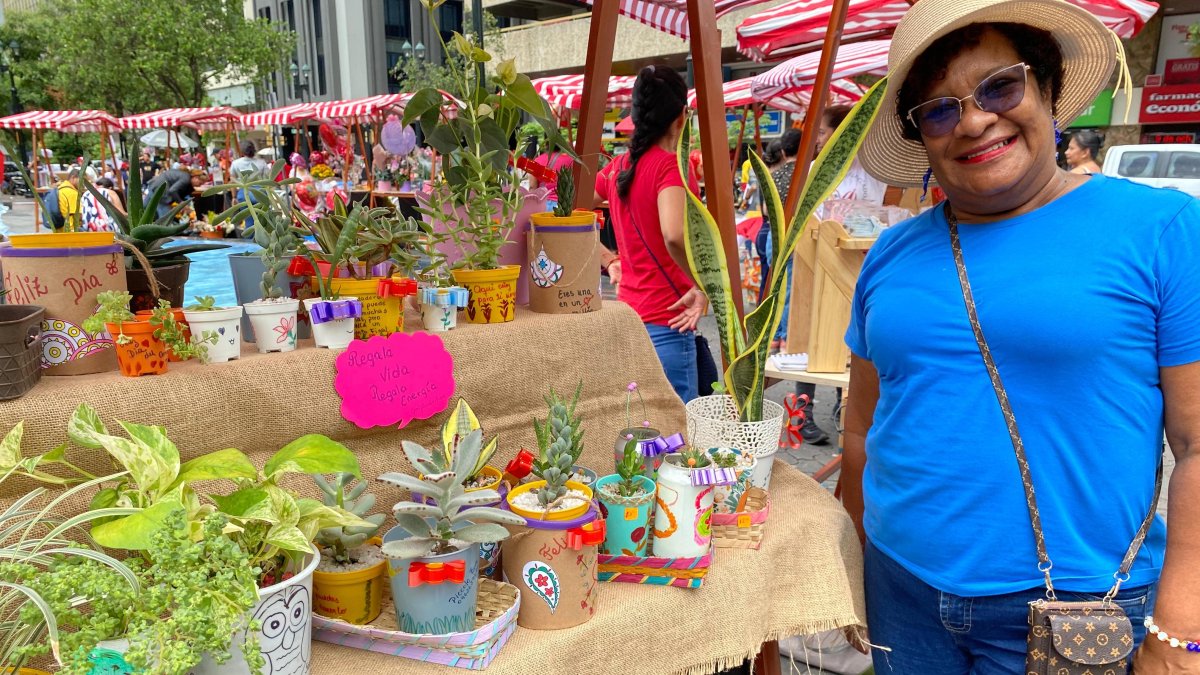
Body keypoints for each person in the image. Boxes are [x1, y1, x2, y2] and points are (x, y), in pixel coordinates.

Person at [845, 0, 1200, 672]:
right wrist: (854, 567)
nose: (974, 119)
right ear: (922, 136)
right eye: (940, 110)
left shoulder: (1162, 230)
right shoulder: (890, 257)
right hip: (902, 593)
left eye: (998, 86)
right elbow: (862, 426)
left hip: (1081, 608)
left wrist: (1181, 631)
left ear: (1047, 90)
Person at [595, 65, 707, 403]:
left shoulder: (619, 167)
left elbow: (570, 207)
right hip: (669, 319)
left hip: (629, 318)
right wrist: (701, 286)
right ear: (681, 116)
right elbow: (673, 234)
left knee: (639, 432)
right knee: (677, 441)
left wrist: (609, 259)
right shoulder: (671, 164)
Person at [56, 167, 82, 231]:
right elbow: (79, 215)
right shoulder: (72, 193)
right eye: (82, 180)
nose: (83, 184)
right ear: (73, 178)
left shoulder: (60, 189)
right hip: (71, 230)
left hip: (59, 229)